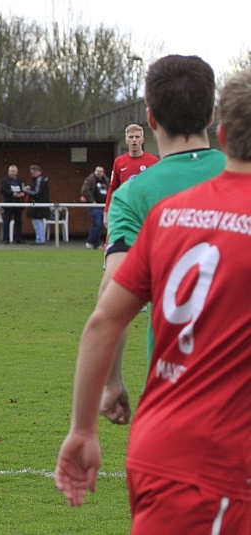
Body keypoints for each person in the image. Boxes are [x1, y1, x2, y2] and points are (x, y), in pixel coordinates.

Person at [55, 71, 251, 532]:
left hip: (168, 440)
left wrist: (85, 425)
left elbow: (105, 316)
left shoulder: (165, 214)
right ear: (212, 126)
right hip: (226, 449)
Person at [95, 55, 225, 426]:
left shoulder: (134, 195)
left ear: (151, 119)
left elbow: (112, 297)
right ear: (210, 116)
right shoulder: (240, 177)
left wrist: (112, 381)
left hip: (176, 398)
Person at [104, 124, 159, 224]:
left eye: (137, 137)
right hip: (125, 211)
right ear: (126, 140)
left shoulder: (153, 161)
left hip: (146, 212)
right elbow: (113, 187)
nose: (134, 140)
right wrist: (106, 212)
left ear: (142, 140)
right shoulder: (119, 161)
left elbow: (157, 188)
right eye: (131, 137)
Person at [80, 166, 109, 250]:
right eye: (97, 171)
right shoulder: (90, 179)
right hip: (94, 205)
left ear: (103, 173)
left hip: (104, 205)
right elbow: (84, 190)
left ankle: (96, 243)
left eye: (100, 171)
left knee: (100, 224)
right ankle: (90, 241)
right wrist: (92, 201)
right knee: (97, 223)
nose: (98, 172)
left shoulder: (106, 180)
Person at [0, 165, 26, 244]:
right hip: (8, 204)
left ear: (17, 172)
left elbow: (24, 190)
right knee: (6, 221)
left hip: (18, 204)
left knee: (18, 222)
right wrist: (12, 194)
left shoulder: (21, 181)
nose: (12, 173)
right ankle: (6, 239)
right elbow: (2, 190)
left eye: (13, 171)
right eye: (10, 171)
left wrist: (22, 194)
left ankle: (18, 238)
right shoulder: (4, 181)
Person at [23, 165, 50, 244]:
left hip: (38, 205)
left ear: (36, 171)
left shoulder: (40, 179)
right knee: (39, 221)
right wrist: (31, 187)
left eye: (32, 172)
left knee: (37, 221)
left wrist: (27, 190)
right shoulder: (42, 178)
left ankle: (40, 239)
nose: (32, 174)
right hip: (41, 203)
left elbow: (37, 192)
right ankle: (40, 238)